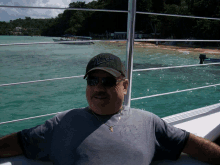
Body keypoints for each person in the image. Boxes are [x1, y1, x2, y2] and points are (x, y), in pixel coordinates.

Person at [0, 53, 220, 165]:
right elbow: (18, 142)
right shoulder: (61, 123)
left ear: (125, 86)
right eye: (93, 81)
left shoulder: (149, 123)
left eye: (107, 81)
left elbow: (191, 144)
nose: (98, 88)